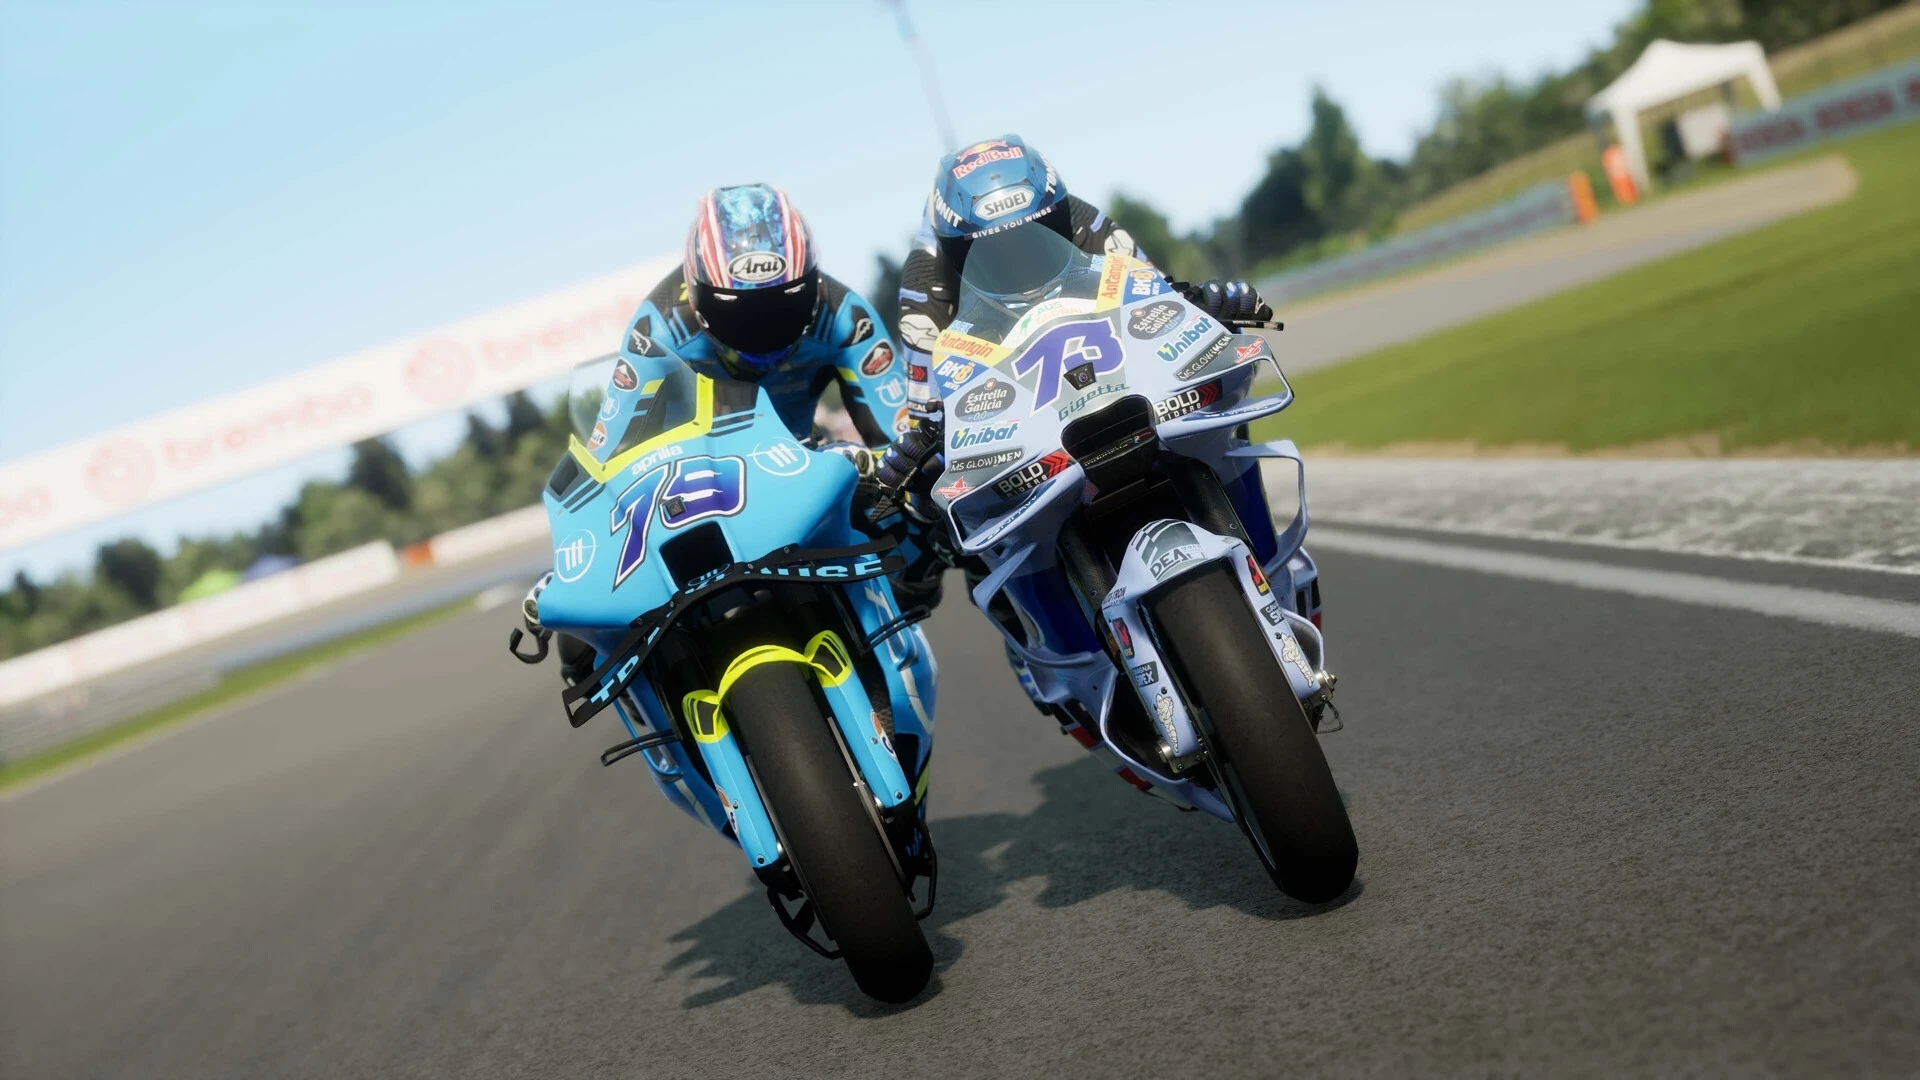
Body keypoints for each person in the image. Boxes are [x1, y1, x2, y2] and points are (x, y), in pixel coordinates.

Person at [542, 183, 917, 687]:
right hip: (704, 482)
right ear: (697, 296)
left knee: (921, 534)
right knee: (587, 641)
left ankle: (895, 657)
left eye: (784, 305)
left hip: (802, 466)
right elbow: (609, 453)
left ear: (812, 284)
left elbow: (900, 433)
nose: (762, 330)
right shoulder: (658, 327)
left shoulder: (842, 314)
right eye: (737, 311)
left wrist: (892, 471)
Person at [876, 134, 1274, 605]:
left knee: (1218, 398)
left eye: (1037, 235)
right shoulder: (927, 284)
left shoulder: (1085, 220)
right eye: (990, 253)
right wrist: (917, 448)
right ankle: (1031, 624)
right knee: (947, 518)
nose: (1018, 262)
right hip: (1017, 421)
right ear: (954, 252)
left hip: (1115, 386)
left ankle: (1267, 553)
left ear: (1057, 215)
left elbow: (1161, 301)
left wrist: (1209, 303)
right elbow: (929, 415)